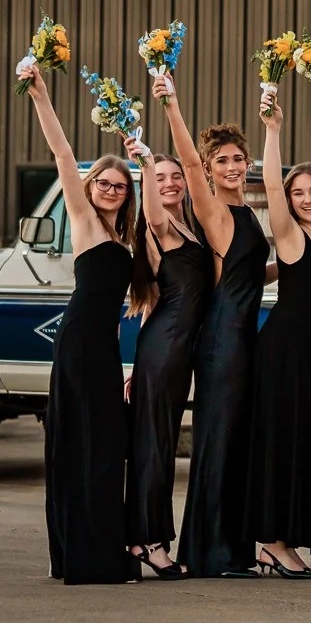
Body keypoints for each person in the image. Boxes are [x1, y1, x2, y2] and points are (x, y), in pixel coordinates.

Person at [17, 57, 137, 585]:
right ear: (90, 190)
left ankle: (95, 547)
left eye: (120, 185)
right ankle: (85, 558)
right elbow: (64, 153)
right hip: (78, 348)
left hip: (104, 350)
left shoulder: (127, 239)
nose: (111, 190)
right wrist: (41, 93)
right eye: (104, 183)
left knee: (106, 449)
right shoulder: (85, 223)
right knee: (85, 445)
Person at [155, 71, 270, 578]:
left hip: (245, 337)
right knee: (218, 438)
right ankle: (210, 552)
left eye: (237, 159)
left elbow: (247, 272)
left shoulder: (247, 210)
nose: (230, 166)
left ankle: (233, 548)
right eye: (219, 160)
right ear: (208, 167)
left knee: (236, 439)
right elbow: (183, 159)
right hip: (222, 339)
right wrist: (172, 104)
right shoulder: (215, 210)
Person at [245, 86, 311, 578]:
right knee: (280, 444)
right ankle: (272, 542)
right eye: (298, 193)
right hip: (282, 350)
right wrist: (273, 130)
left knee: (303, 446)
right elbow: (268, 179)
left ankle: (283, 539)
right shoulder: (290, 236)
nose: (306, 199)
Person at [122, 142, 212, 580]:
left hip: (168, 349)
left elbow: (151, 303)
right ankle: (149, 541)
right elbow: (153, 211)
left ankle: (146, 534)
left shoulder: (189, 227)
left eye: (176, 176)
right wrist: (145, 163)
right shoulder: (159, 226)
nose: (171, 183)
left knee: (157, 443)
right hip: (167, 350)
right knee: (155, 447)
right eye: (161, 179)